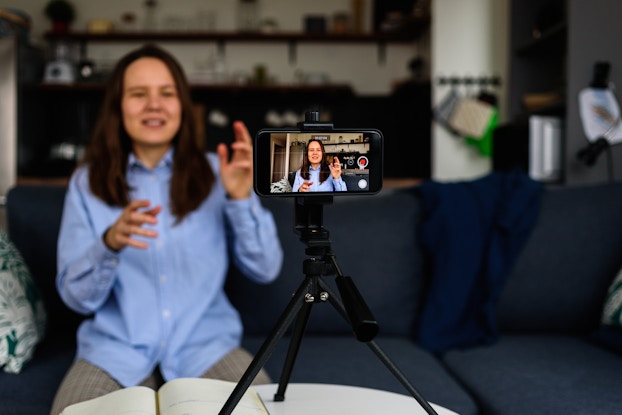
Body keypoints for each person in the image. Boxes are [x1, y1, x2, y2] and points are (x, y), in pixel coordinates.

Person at [50, 44, 283, 414]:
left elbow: (266, 268)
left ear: (182, 105)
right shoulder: (87, 182)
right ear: (118, 107)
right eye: (139, 94)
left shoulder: (217, 173)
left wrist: (240, 199)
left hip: (207, 346)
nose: (154, 105)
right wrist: (108, 243)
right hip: (116, 350)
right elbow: (78, 299)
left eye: (167, 93)